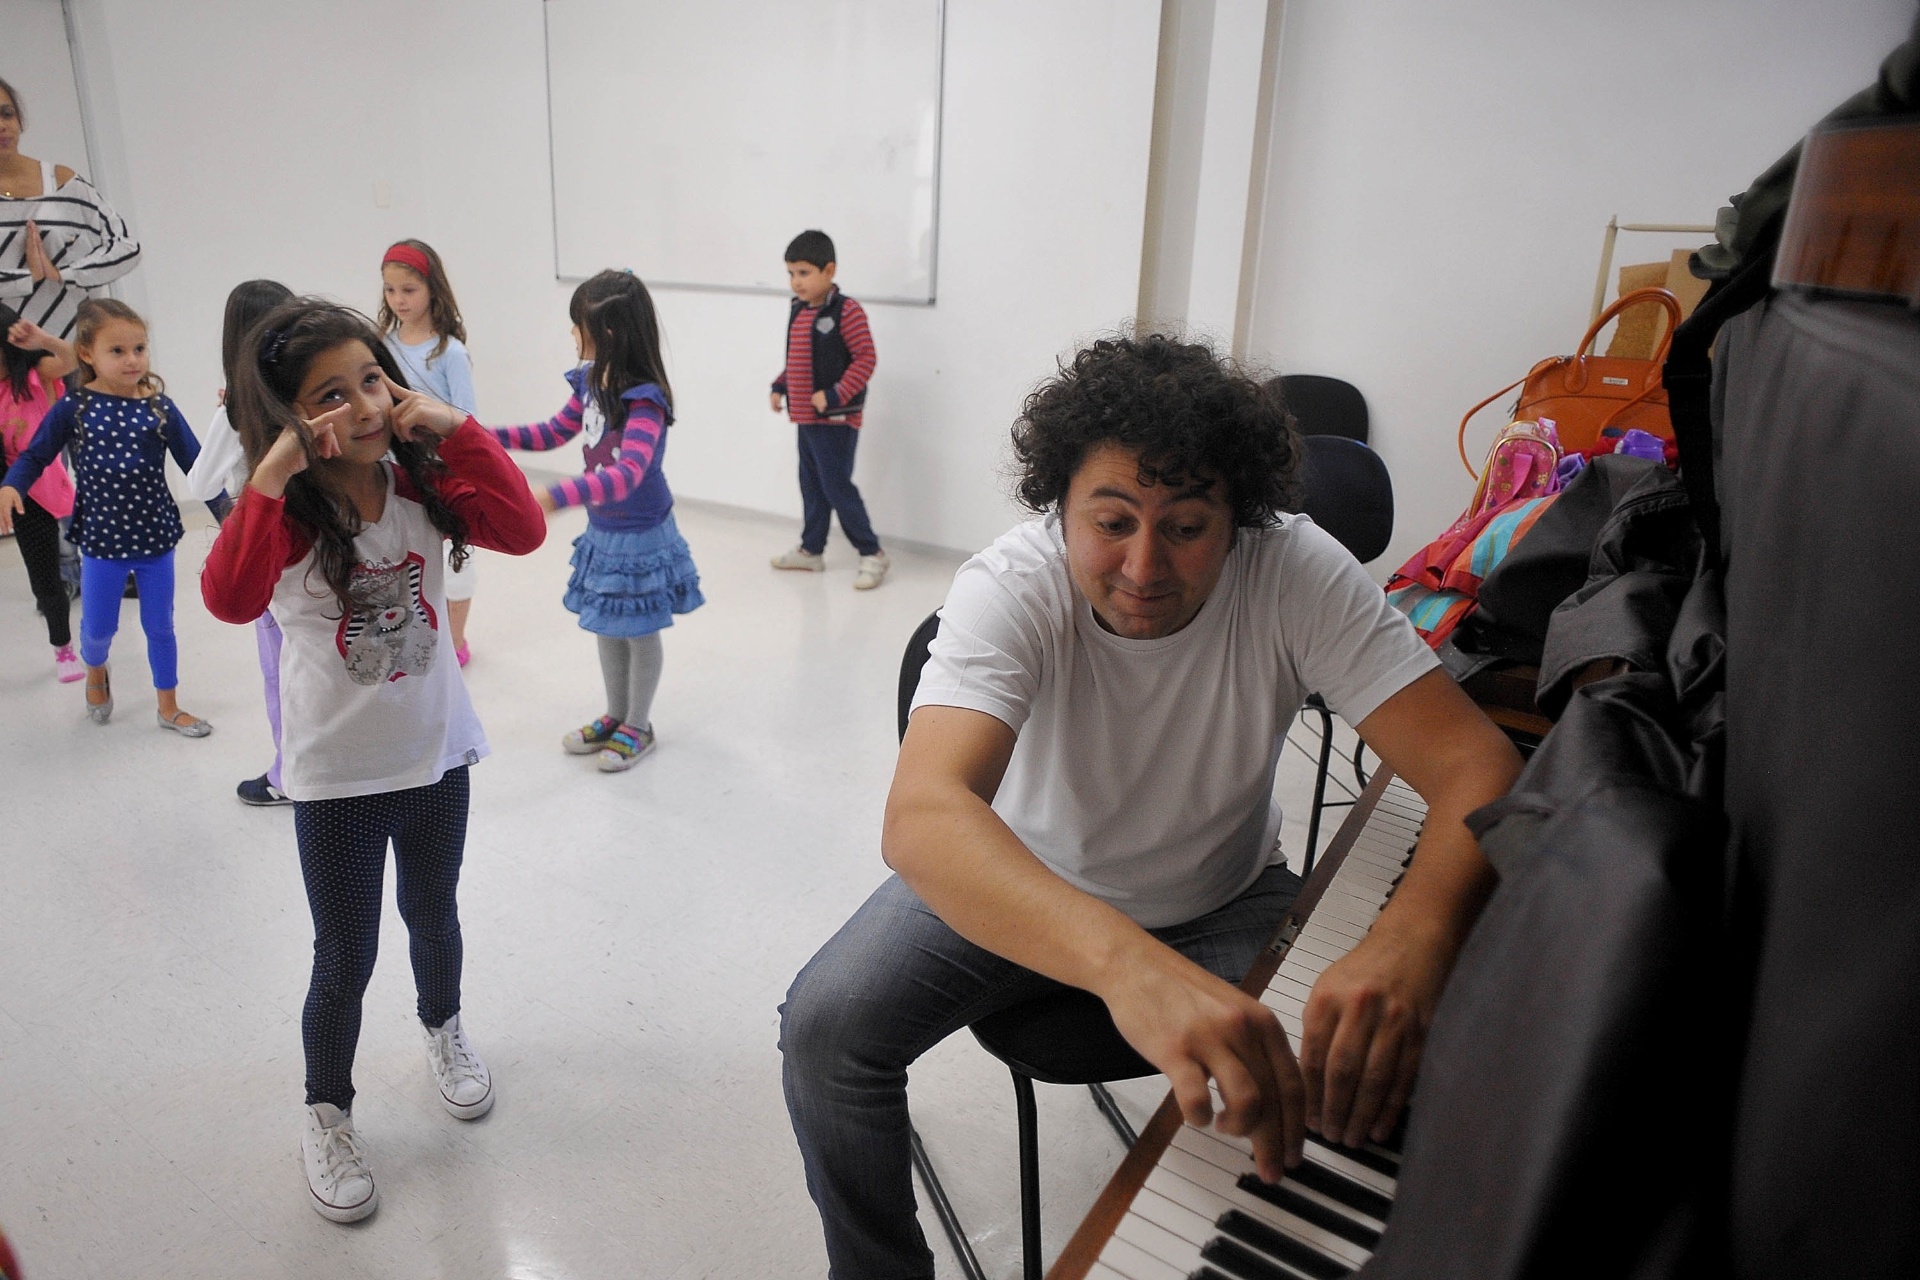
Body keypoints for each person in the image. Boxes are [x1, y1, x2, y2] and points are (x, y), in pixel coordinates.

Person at [778, 334, 1525, 1278]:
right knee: (823, 1032)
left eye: (1186, 525)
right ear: (1060, 508)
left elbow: (1480, 763)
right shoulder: (1013, 582)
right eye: (1113, 520)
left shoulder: (1294, 570)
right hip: (1024, 881)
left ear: (1238, 518)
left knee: (1339, 1090)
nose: (1143, 565)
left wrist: (1414, 936)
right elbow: (923, 816)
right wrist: (1128, 968)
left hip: (1223, 897)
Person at [200, 299, 545, 1223]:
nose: (358, 407)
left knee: (434, 914)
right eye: (328, 395)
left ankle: (445, 1032)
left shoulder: (418, 485)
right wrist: (275, 469)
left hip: (437, 756)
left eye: (369, 381)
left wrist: (455, 425)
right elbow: (230, 600)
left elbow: (524, 529)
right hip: (339, 780)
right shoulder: (281, 514)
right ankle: (327, 1110)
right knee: (346, 954)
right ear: (287, 417)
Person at [486, 269, 703, 773]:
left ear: (606, 333)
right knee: (609, 627)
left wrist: (557, 496)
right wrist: (483, 436)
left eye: (577, 323)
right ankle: (616, 714)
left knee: (640, 632)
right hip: (606, 531)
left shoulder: (643, 399)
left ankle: (639, 724)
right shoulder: (590, 381)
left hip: (642, 533)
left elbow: (627, 474)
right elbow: (552, 431)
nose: (571, 333)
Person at [0, 298, 210, 735]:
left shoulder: (160, 409)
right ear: (87, 354)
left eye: (139, 348)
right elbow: (36, 454)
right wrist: (11, 484)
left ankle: (168, 705)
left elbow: (198, 465)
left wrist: (232, 513)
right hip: (100, 542)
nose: (132, 359)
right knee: (97, 631)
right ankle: (96, 669)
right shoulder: (74, 407)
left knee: (160, 626)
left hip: (156, 539)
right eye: (118, 351)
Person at [186, 278, 296, 804]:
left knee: (280, 671)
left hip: (270, 553)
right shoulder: (316, 389)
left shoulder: (236, 408)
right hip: (326, 543)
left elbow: (201, 484)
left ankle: (287, 775)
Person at [767, 228, 888, 590]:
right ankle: (811, 551)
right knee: (810, 484)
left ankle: (872, 553)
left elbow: (866, 359)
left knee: (836, 487)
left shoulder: (846, 311)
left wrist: (835, 395)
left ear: (829, 270)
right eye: (790, 273)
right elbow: (799, 361)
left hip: (836, 419)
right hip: (805, 418)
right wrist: (780, 385)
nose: (795, 282)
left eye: (803, 273)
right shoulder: (799, 310)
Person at [377, 239, 480, 665]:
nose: (398, 300)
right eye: (389, 290)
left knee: (457, 562)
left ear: (432, 290)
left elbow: (467, 417)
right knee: (402, 557)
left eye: (409, 290)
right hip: (395, 472)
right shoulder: (381, 344)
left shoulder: (450, 352)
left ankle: (455, 643)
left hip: (443, 471)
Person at [0, 75, 141, 342]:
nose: (2, 126)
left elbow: (127, 247)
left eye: (7, 114)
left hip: (76, 348)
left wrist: (65, 273)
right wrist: (27, 276)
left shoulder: (63, 182)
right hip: (7, 359)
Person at [0, 304, 79, 680]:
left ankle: (63, 649)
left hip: (40, 491)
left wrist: (43, 340)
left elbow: (70, 358)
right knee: (42, 577)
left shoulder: (36, 375)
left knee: (47, 577)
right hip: (7, 489)